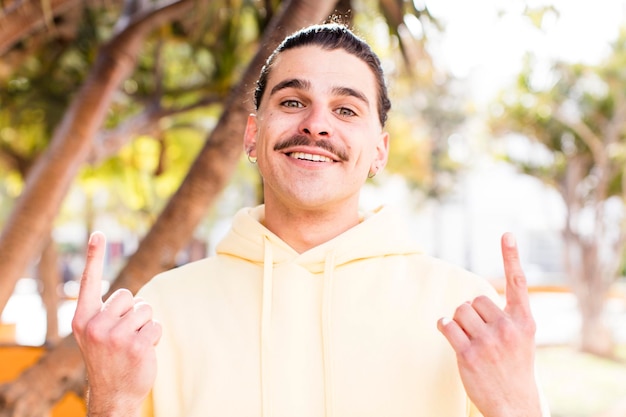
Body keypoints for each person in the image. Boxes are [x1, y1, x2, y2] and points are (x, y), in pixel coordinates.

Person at [72, 23, 549, 417]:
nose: (317, 125)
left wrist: (518, 406)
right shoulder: (159, 312)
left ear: (378, 152)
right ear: (252, 135)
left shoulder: (467, 312)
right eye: (293, 102)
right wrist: (111, 400)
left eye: (345, 109)